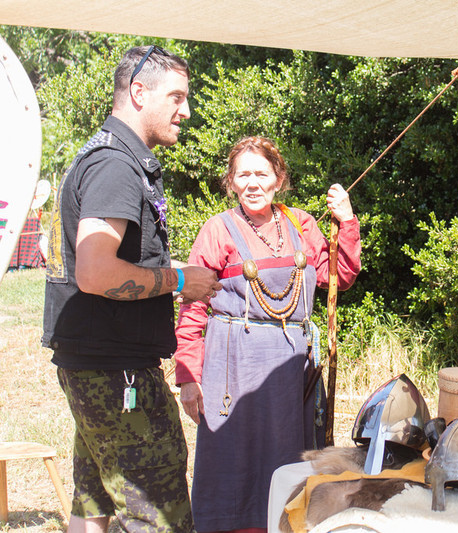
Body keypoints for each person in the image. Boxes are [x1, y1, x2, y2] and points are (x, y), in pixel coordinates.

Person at [42, 45, 222, 532]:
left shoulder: (105, 154)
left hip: (94, 366)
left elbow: (113, 259)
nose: (186, 111)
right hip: (117, 374)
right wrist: (181, 280)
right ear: (138, 93)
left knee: (93, 499)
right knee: (156, 514)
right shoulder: (117, 166)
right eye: (177, 97)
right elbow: (96, 272)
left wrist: (175, 271)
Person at [174, 136, 362, 532]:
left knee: (288, 460)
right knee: (233, 463)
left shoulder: (301, 224)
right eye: (243, 174)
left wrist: (346, 220)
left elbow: (338, 277)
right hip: (232, 370)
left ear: (279, 179)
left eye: (261, 173)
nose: (252, 183)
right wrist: (189, 377)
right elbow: (192, 306)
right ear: (231, 181)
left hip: (292, 373)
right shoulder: (218, 229)